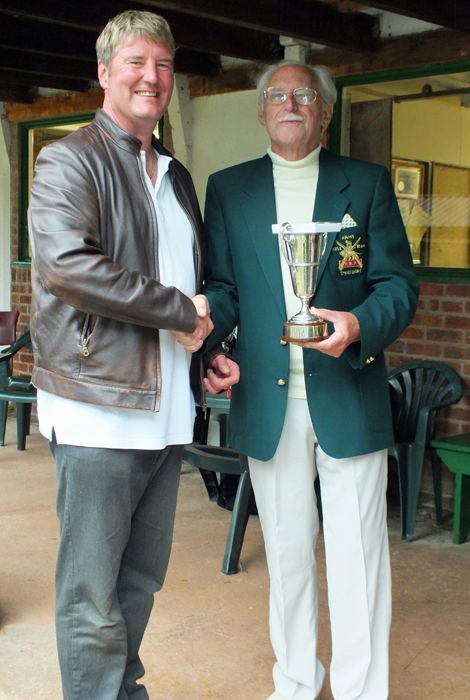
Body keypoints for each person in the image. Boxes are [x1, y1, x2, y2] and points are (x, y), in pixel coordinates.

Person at [202, 60, 419, 700]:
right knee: (290, 560)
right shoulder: (229, 188)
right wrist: (211, 347)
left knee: (358, 563)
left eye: (305, 95)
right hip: (268, 402)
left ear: (325, 111)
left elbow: (398, 288)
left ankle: (361, 691)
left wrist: (356, 325)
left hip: (348, 392)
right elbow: (224, 289)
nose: (290, 103)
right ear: (262, 110)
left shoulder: (367, 184)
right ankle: (296, 685)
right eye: (278, 95)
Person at [28, 10, 215, 700]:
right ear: (104, 73)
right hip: (97, 408)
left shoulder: (175, 174)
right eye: (136, 62)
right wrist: (177, 312)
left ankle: (119, 691)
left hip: (166, 411)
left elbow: (190, 285)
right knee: (92, 591)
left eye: (164, 65)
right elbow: (68, 267)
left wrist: (205, 352)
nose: (152, 76)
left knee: (138, 580)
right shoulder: (69, 158)